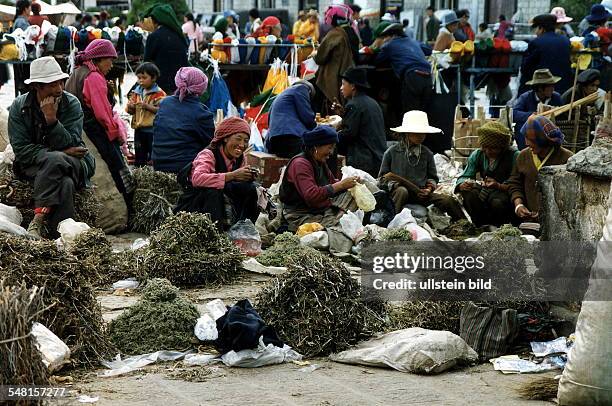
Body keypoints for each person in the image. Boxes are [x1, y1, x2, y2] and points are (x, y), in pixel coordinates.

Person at [8, 57, 94, 239]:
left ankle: (37, 218)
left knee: (57, 162)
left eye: (60, 83)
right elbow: (22, 150)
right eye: (52, 85)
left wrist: (52, 120)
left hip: (74, 163)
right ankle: (59, 237)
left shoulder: (71, 104)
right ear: (37, 87)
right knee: (65, 183)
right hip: (33, 166)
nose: (59, 89)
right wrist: (60, 154)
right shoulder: (19, 107)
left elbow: (72, 144)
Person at [65, 39, 133, 204]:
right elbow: (103, 114)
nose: (111, 65)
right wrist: (115, 134)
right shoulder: (94, 77)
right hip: (94, 129)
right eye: (110, 60)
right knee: (116, 165)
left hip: (77, 129)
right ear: (99, 59)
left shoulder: (77, 72)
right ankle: (126, 203)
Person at [174, 117, 260, 229]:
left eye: (245, 140)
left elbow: (237, 184)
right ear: (225, 138)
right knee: (213, 191)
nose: (242, 145)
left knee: (252, 188)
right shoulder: (208, 154)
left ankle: (243, 229)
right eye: (238, 138)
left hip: (223, 204)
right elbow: (197, 178)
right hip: (196, 207)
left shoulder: (240, 158)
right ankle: (215, 234)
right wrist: (232, 175)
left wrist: (248, 177)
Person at [378, 110, 465, 219]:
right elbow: (382, 180)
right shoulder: (391, 152)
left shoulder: (427, 153)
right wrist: (395, 185)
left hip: (420, 194)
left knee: (447, 200)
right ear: (407, 133)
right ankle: (392, 222)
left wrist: (428, 189)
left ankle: (464, 225)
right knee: (402, 191)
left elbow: (432, 178)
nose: (421, 136)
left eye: (423, 133)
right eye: (417, 133)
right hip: (398, 194)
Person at [279, 126, 360, 232]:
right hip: (299, 215)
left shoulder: (320, 162)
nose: (331, 152)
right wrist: (341, 185)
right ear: (316, 147)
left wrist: (349, 183)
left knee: (353, 197)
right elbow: (311, 195)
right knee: (339, 226)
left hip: (318, 210)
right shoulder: (300, 164)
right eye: (329, 147)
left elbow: (331, 183)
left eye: (333, 148)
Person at [507, 115, 573, 223]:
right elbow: (515, 183)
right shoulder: (523, 156)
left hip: (557, 221)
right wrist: (519, 205)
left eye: (531, 140)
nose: (526, 143)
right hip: (528, 220)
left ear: (543, 141)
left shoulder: (567, 159)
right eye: (526, 138)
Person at [455, 121, 519, 226]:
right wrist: (463, 184)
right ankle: (480, 225)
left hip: (505, 193)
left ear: (502, 147)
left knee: (497, 203)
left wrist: (498, 185)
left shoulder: (514, 156)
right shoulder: (478, 154)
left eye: (493, 148)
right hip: (485, 191)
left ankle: (500, 227)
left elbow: (517, 182)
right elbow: (465, 175)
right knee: (470, 194)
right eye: (484, 147)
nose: (488, 151)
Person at [152, 67, 214, 173]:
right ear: (201, 88)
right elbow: (211, 142)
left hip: (159, 164)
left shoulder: (165, 103)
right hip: (185, 168)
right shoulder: (202, 113)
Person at [333, 67, 387, 178]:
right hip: (378, 157)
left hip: (365, 161)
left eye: (343, 84)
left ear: (353, 86)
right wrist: (344, 115)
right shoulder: (372, 102)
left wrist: (331, 134)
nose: (341, 88)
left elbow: (349, 134)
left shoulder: (354, 105)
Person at [375, 23, 432, 113]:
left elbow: (377, 61)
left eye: (386, 37)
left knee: (410, 112)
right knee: (422, 112)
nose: (385, 40)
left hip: (412, 75)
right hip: (428, 75)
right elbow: (428, 50)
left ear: (393, 35)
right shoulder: (413, 41)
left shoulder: (389, 45)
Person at [313, 5, 357, 108]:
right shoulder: (352, 32)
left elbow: (320, 57)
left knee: (332, 107)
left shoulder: (334, 34)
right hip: (348, 75)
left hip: (333, 76)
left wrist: (315, 55)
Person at [519, 14, 572, 96]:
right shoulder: (565, 40)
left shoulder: (536, 42)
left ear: (541, 28)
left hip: (542, 88)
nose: (536, 32)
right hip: (563, 87)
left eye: (536, 29)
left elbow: (525, 67)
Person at [126, 62, 166, 167]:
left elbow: (163, 111)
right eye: (139, 78)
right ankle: (140, 173)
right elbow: (129, 110)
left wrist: (147, 106)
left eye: (144, 77)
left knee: (154, 154)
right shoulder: (136, 92)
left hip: (152, 130)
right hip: (138, 129)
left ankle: (154, 173)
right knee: (140, 154)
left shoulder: (159, 94)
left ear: (153, 78)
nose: (141, 80)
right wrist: (130, 107)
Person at [143, 4, 189, 94]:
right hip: (180, 86)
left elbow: (146, 63)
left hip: (160, 87)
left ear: (155, 21)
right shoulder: (180, 36)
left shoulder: (154, 36)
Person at [513, 69, 563, 150]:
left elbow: (562, 113)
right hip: (530, 135)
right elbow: (515, 113)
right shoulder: (525, 97)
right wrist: (534, 116)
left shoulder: (556, 97)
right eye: (549, 86)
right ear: (540, 88)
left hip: (549, 133)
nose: (552, 88)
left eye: (553, 85)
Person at [267, 81, 317, 158]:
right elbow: (307, 117)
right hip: (290, 139)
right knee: (321, 149)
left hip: (274, 143)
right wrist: (317, 129)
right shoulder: (301, 88)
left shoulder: (282, 95)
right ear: (309, 91)